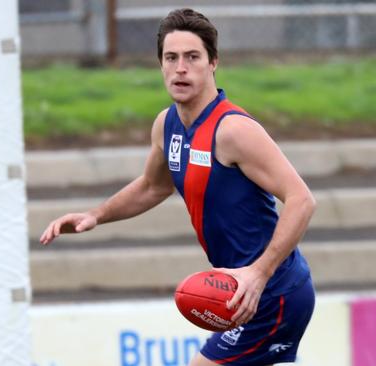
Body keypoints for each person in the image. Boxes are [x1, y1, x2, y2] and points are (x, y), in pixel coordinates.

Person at [40, 8, 316, 366]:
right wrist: (96, 215)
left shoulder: (232, 130)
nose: (180, 68)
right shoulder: (166, 125)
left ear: (213, 62)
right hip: (240, 296)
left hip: (273, 292)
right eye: (171, 58)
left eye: (192, 57)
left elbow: (302, 200)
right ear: (160, 65)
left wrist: (259, 273)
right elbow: (153, 187)